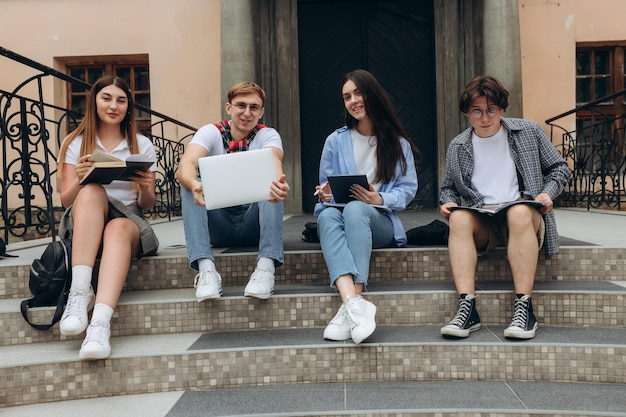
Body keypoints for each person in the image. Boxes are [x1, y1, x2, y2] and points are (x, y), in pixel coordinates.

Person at [439, 75, 570, 340]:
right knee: (459, 219)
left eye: (491, 110)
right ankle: (467, 308)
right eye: (477, 111)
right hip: (483, 217)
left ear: (502, 109)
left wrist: (547, 193)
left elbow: (559, 168)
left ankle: (524, 308)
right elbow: (447, 188)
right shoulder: (458, 146)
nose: (485, 118)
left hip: (522, 215)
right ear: (467, 113)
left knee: (519, 210)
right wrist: (449, 203)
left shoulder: (528, 132)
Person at [57, 76, 159, 360]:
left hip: (128, 223)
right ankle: (79, 294)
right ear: (94, 102)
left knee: (116, 228)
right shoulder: (76, 143)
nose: (113, 106)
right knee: (91, 190)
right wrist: (79, 179)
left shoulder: (141, 144)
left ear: (129, 106)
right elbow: (66, 200)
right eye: (107, 98)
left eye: (121, 100)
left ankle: (99, 326)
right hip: (85, 220)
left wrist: (146, 187)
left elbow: (147, 206)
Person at [315, 69, 419, 344]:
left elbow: (408, 189)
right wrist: (325, 196)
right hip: (342, 217)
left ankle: (355, 296)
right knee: (326, 218)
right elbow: (325, 187)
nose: (353, 101)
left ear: (372, 94)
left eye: (358, 93)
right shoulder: (335, 141)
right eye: (347, 97)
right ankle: (353, 303)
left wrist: (380, 199)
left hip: (379, 224)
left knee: (356, 208)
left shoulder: (398, 144)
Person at [177, 81, 290, 301]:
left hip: (254, 224)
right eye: (241, 105)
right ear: (229, 108)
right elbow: (185, 166)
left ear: (261, 112)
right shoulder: (210, 132)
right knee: (189, 182)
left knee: (271, 181)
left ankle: (266, 268)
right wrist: (194, 184)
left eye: (254, 107)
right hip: (218, 225)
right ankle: (206, 270)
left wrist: (279, 184)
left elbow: (274, 160)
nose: (247, 113)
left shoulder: (268, 135)